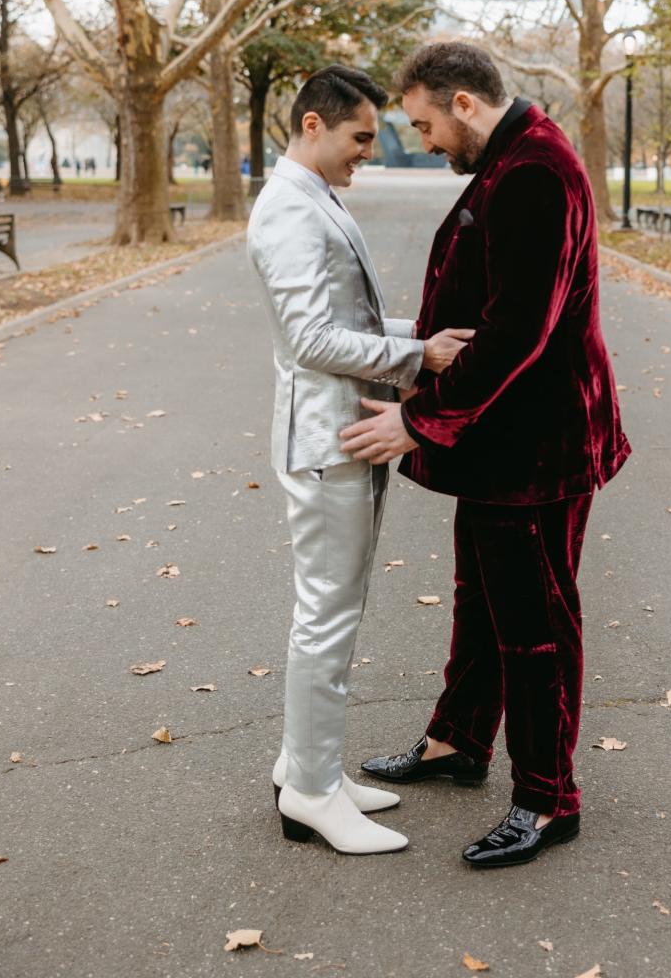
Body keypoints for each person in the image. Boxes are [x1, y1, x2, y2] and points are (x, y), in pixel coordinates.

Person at [339, 42, 631, 871]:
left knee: (534, 624)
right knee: (484, 598)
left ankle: (547, 796)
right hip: (505, 441)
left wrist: (420, 421)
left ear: (464, 103)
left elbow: (517, 333)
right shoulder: (512, 161)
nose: (423, 139)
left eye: (425, 122)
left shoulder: (535, 171)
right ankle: (458, 741)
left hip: (540, 444)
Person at [247, 64, 473, 855]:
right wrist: (419, 356)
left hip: (342, 434)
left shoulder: (311, 199)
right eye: (359, 137)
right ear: (313, 125)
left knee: (333, 613)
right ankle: (310, 793)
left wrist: (421, 336)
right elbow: (311, 339)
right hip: (326, 443)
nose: (368, 153)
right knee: (325, 617)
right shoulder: (287, 211)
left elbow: (352, 317)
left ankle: (309, 768)